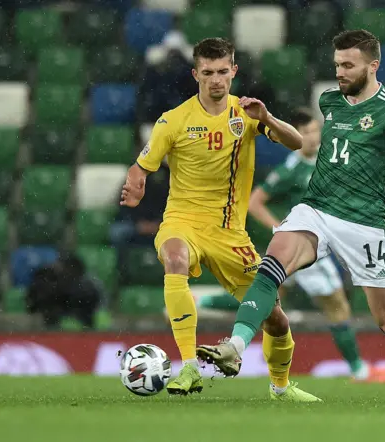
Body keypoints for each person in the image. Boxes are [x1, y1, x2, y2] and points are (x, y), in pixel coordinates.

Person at [198, 30, 385, 404]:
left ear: (373, 65)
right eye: (337, 65)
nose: (340, 72)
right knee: (271, 265)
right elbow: (340, 150)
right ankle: (235, 346)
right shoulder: (330, 101)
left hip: (363, 224)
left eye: (348, 65)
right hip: (315, 209)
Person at [120, 38, 321, 402]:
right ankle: (188, 367)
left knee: (276, 318)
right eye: (208, 73)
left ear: (234, 72)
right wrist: (136, 183)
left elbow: (296, 143)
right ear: (196, 74)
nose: (216, 80)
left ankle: (280, 388)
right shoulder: (173, 121)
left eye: (223, 72)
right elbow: (140, 166)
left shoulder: (246, 113)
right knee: (175, 259)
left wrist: (268, 118)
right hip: (183, 220)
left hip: (231, 233)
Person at [249, 108, 385, 383]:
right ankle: (359, 371)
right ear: (294, 136)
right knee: (337, 307)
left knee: (267, 297)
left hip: (322, 241)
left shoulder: (328, 154)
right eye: (305, 133)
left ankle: (205, 302)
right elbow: (254, 201)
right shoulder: (291, 169)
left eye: (314, 130)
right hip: (307, 243)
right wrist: (279, 228)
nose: (311, 137)